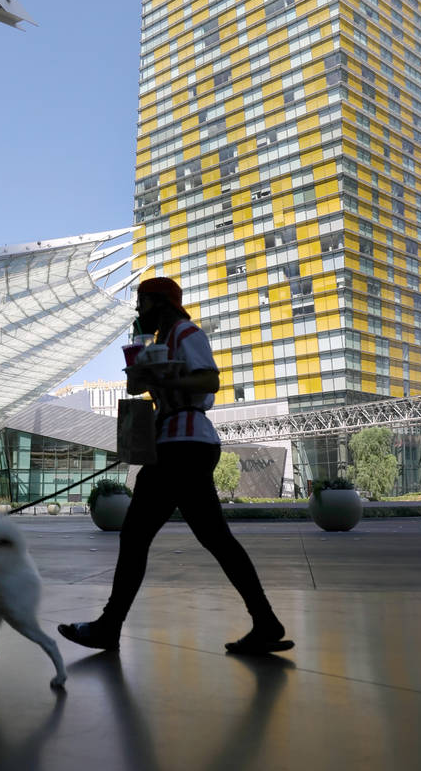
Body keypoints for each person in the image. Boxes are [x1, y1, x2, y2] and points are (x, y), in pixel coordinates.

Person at [58, 277, 293, 655]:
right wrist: (144, 376)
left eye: (141, 302)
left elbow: (210, 380)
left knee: (138, 536)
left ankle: (109, 626)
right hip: (177, 443)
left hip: (183, 444)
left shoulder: (185, 333)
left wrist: (167, 377)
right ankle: (265, 620)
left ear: (160, 302)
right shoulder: (160, 343)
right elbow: (141, 389)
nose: (137, 310)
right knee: (213, 539)